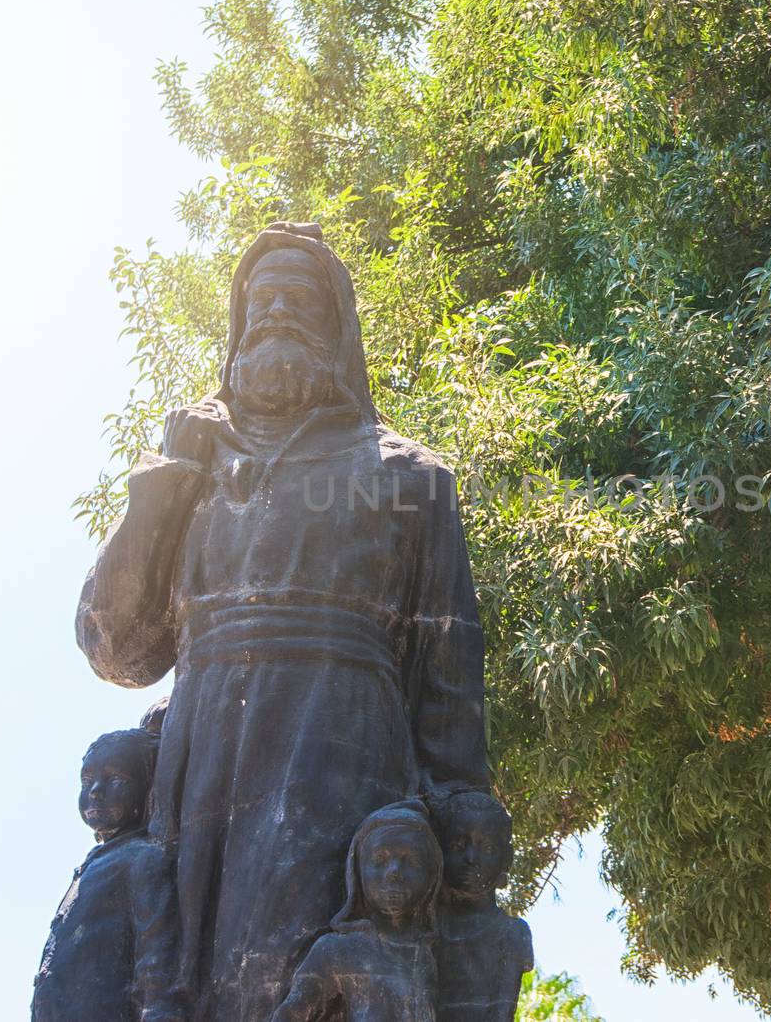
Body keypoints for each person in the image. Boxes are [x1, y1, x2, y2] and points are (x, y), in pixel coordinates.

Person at [77, 222, 489, 1021]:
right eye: (258, 297)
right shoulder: (191, 468)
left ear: (336, 327)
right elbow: (118, 650)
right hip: (197, 774)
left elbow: (449, 690)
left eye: (297, 296)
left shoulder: (412, 478)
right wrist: (166, 480)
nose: (273, 310)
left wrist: (462, 860)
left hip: (342, 759)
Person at [32, 728, 182, 1022]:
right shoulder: (99, 862)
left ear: (148, 787)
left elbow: (157, 957)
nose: (96, 791)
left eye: (117, 779)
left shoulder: (143, 859)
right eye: (87, 781)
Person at [269, 800, 443, 1022]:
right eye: (380, 859)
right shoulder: (336, 950)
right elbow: (290, 1014)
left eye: (411, 860)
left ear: (432, 877)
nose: (394, 872)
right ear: (358, 871)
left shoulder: (425, 955)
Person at [431, 791, 532, 1022]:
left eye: (487, 849)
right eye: (458, 845)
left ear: (506, 858)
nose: (471, 857)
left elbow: (501, 1014)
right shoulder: (426, 925)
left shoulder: (512, 933)